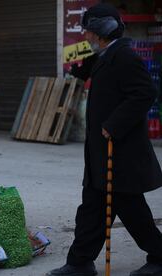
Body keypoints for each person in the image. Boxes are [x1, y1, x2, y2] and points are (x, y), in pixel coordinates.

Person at [47, 3, 162, 276]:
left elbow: (144, 93)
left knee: (131, 212)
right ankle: (80, 262)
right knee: (92, 210)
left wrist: (113, 124)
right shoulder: (105, 56)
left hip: (119, 152)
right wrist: (79, 69)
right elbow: (93, 71)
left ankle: (159, 257)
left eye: (88, 32)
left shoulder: (125, 57)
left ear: (101, 32)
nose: (85, 36)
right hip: (102, 152)